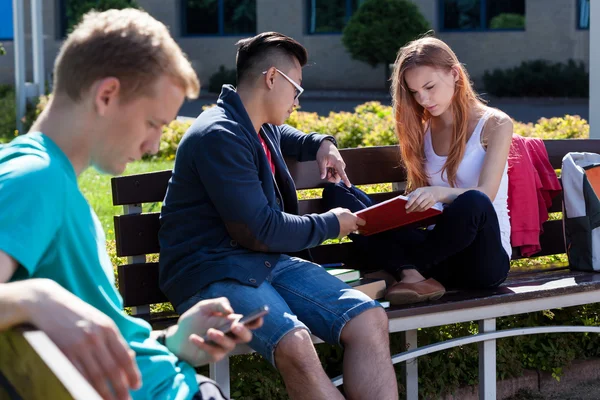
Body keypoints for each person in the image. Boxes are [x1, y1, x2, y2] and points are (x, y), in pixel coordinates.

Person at [0, 9, 261, 400]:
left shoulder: (45, 176)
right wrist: (36, 298)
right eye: (153, 123)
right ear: (107, 95)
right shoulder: (35, 178)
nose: (154, 145)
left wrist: (171, 342)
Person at [158, 32, 398, 399]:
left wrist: (324, 144)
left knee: (369, 318)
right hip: (213, 270)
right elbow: (260, 230)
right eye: (296, 90)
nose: (298, 101)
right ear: (272, 78)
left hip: (265, 262)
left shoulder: (257, 125)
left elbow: (289, 135)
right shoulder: (219, 135)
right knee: (295, 343)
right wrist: (333, 223)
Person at [323, 36, 512, 306]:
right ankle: (410, 273)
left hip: (481, 261)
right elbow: (420, 212)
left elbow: (487, 193)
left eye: (429, 86)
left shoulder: (495, 123)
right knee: (338, 195)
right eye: (414, 92)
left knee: (474, 202)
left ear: (455, 74)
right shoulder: (422, 130)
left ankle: (401, 268)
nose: (423, 98)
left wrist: (439, 193)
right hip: (437, 257)